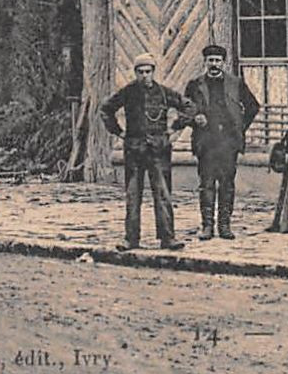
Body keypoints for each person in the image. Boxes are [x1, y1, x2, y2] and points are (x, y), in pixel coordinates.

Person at [100, 54, 198, 251]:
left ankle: (167, 238)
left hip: (159, 150)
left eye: (148, 71)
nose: (145, 76)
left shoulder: (163, 93)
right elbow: (106, 109)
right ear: (135, 73)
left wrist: (175, 126)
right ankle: (131, 239)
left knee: (163, 193)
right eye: (140, 72)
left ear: (153, 72)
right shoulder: (127, 92)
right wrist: (119, 131)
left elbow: (189, 107)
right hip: (134, 149)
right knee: (133, 194)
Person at [179, 45, 259, 240]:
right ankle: (207, 226)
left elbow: (253, 106)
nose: (214, 64)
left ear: (224, 63)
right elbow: (183, 111)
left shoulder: (236, 83)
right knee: (206, 184)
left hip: (227, 143)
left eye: (217, 60)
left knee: (227, 184)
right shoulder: (194, 85)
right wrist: (193, 119)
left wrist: (240, 128)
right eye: (210, 60)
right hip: (205, 142)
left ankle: (225, 225)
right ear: (204, 62)